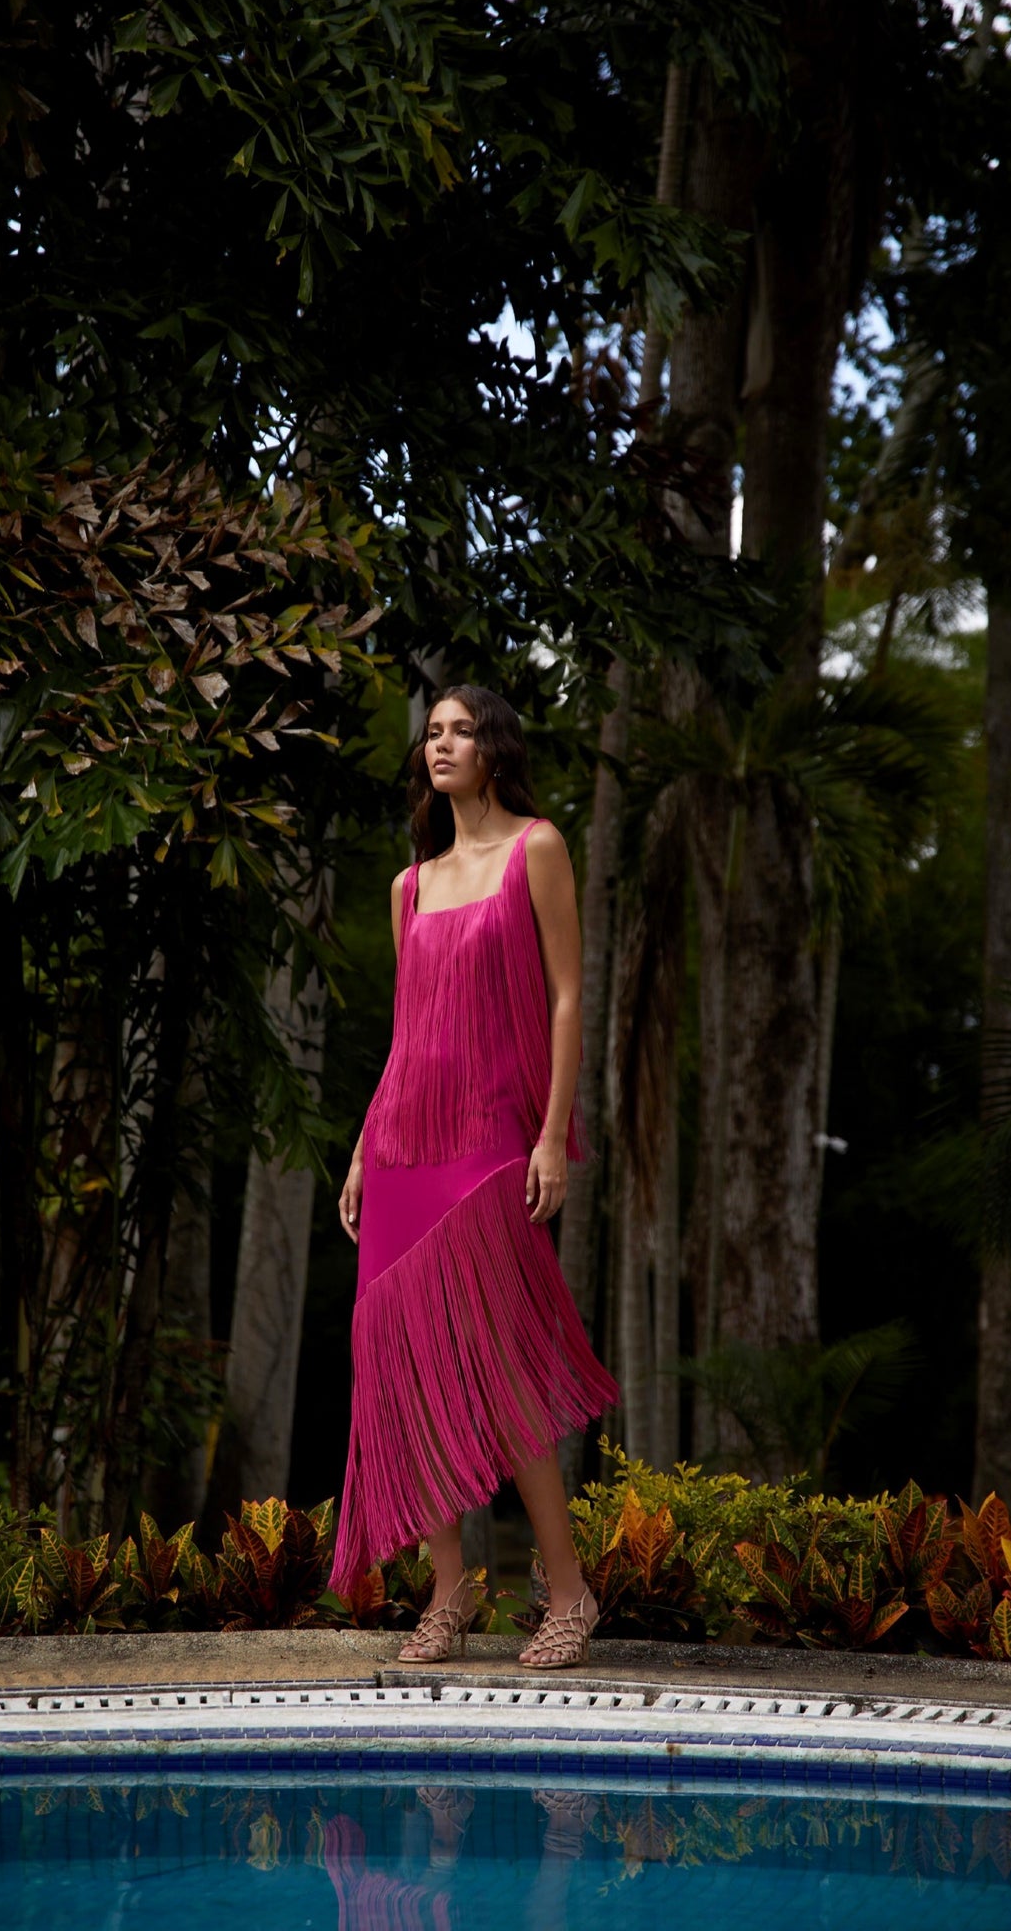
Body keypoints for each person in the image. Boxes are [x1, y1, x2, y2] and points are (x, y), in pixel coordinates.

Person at [329, 684, 618, 1667]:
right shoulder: (409, 886)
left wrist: (552, 1135)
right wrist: (362, 1150)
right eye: (432, 733)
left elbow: (569, 996)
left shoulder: (538, 847)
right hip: (403, 1144)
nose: (440, 744)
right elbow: (406, 1032)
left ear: (494, 749)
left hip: (491, 1137)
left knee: (502, 1364)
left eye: (460, 730)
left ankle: (568, 1591)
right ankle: (450, 1590)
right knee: (408, 1369)